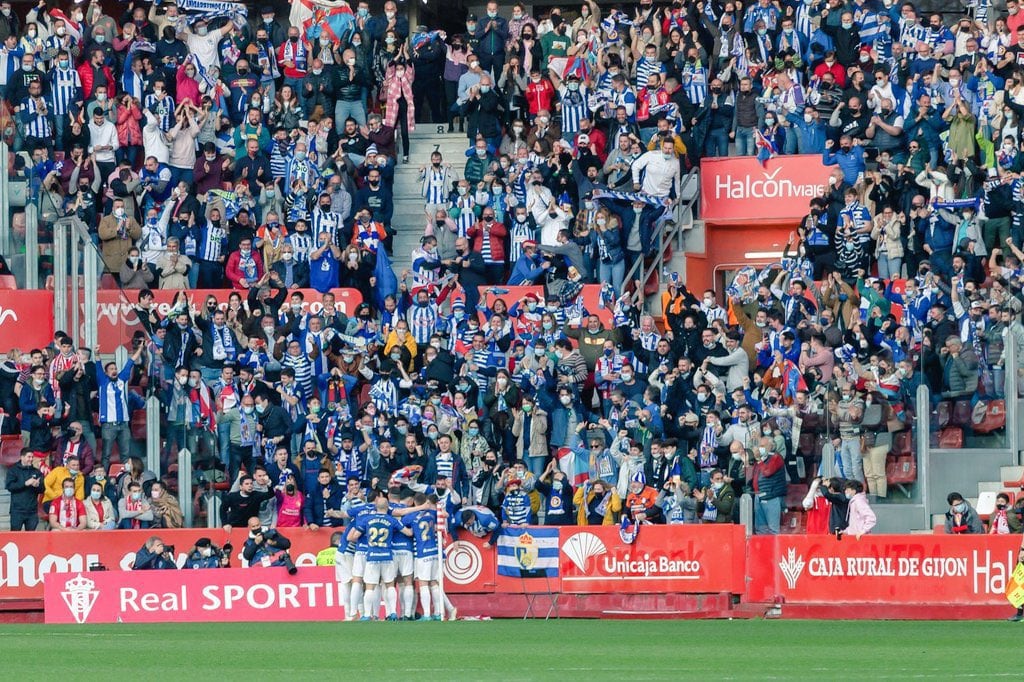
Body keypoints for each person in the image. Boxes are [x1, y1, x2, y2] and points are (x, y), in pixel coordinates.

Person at [346, 495, 415, 620]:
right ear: (388, 507)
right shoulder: (392, 520)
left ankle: (367, 615)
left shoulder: (367, 519)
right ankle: (393, 612)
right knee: (390, 585)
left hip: (372, 556)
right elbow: (409, 533)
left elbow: (352, 537)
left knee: (370, 586)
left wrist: (353, 528)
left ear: (376, 507)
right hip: (387, 556)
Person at [6, 448, 43, 531]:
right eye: (29, 457)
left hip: (32, 511)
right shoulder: (13, 470)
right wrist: (25, 483)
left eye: (32, 457)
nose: (31, 459)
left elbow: (42, 489)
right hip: (17, 510)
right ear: (22, 457)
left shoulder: (37, 472)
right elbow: (10, 486)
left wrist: (37, 485)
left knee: (31, 538)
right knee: (15, 537)